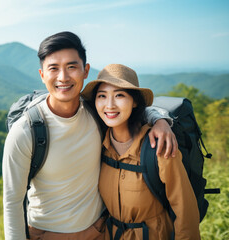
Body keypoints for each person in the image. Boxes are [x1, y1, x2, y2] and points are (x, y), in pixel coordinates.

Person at [2, 31, 178, 240]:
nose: (63, 77)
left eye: (71, 67)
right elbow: (12, 201)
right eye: (54, 69)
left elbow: (129, 107)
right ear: (42, 75)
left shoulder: (95, 111)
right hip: (47, 234)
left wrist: (160, 120)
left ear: (85, 71)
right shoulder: (25, 132)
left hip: (99, 231)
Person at [81, 64, 200, 240]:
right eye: (102, 96)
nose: (109, 105)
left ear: (135, 101)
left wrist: (161, 121)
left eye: (119, 95)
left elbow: (185, 210)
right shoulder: (98, 144)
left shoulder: (158, 146)